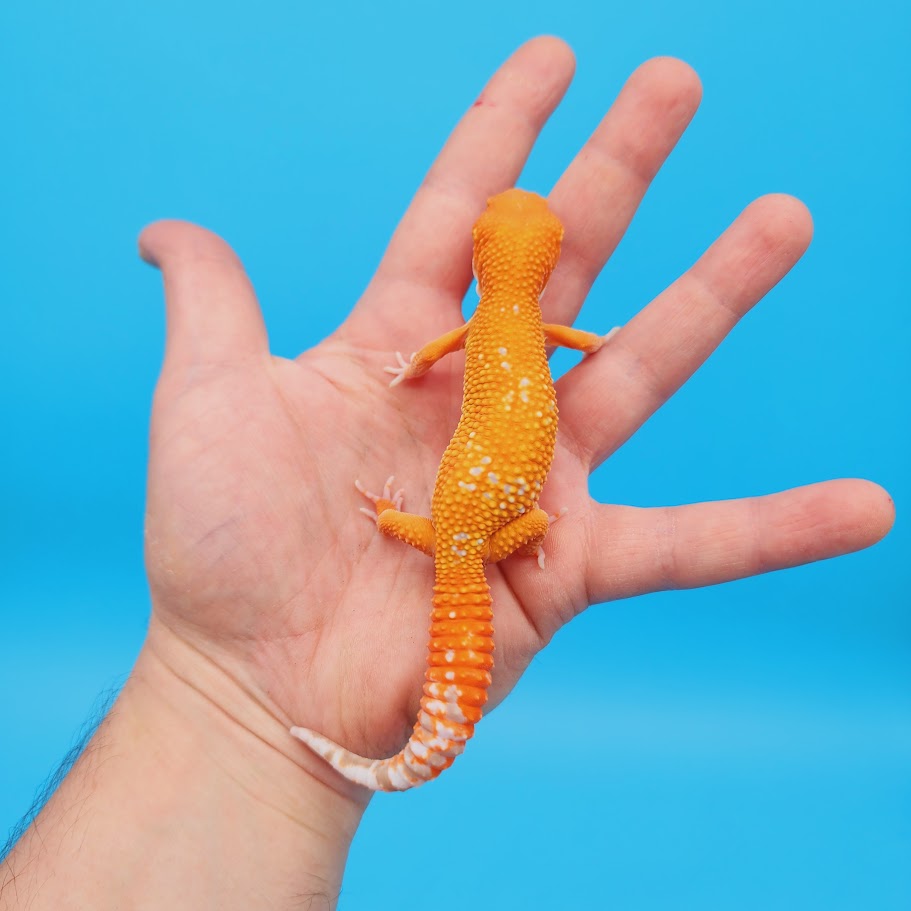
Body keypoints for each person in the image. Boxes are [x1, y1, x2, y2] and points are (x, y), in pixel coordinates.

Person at [0, 37, 893, 909]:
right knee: (498, 537)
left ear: (488, 261)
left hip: (464, 524)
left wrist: (419, 410)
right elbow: (559, 346)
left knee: (488, 536)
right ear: (533, 266)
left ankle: (408, 720)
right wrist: (588, 359)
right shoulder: (529, 328)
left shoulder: (486, 329)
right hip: (469, 527)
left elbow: (439, 353)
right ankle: (409, 718)